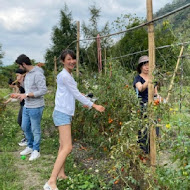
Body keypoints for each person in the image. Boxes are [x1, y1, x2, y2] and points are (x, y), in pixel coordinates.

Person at [43, 50, 105, 190]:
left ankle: (61, 174)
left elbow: (73, 93)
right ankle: (51, 181)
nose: (72, 61)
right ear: (63, 61)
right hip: (62, 113)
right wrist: (94, 105)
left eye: (74, 59)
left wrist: (84, 98)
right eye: (69, 59)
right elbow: (76, 93)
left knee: (62, 146)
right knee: (68, 147)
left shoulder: (67, 75)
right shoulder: (65, 76)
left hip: (63, 112)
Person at [15, 54, 47, 161]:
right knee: (24, 127)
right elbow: (28, 88)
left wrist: (27, 95)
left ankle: (36, 150)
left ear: (24, 64)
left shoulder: (37, 74)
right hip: (27, 106)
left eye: (20, 66)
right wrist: (21, 83)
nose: (20, 69)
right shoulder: (27, 74)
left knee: (35, 129)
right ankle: (29, 146)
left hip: (36, 106)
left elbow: (43, 90)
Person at [133, 55, 160, 156]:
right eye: (145, 65)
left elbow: (155, 93)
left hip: (152, 106)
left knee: (154, 128)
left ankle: (152, 150)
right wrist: (149, 80)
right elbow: (140, 89)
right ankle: (143, 152)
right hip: (142, 106)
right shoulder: (138, 78)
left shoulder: (153, 78)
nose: (147, 67)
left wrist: (159, 98)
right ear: (140, 67)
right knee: (144, 130)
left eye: (149, 65)